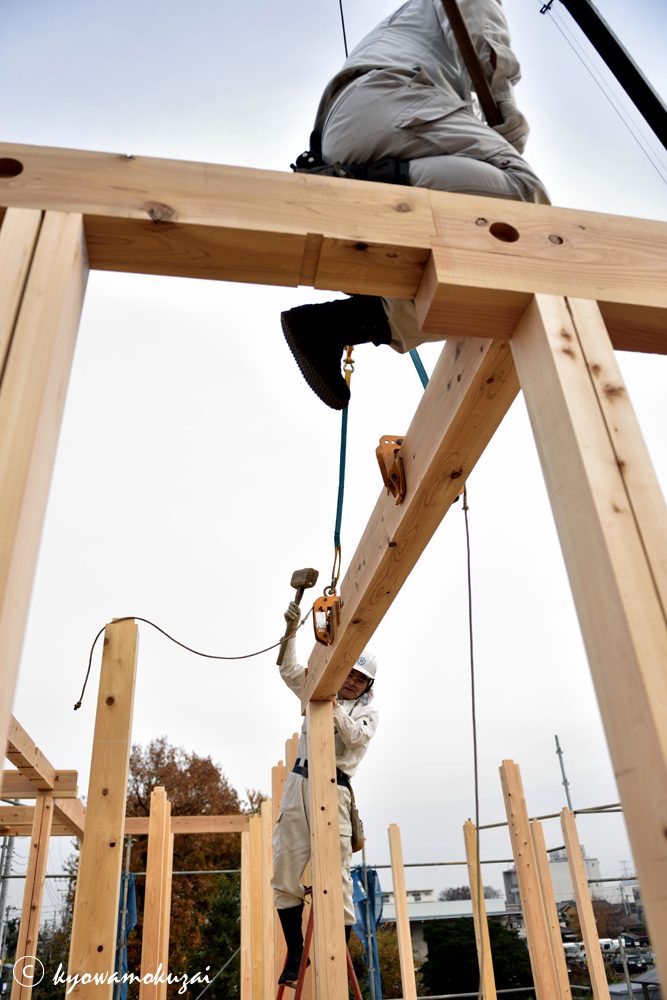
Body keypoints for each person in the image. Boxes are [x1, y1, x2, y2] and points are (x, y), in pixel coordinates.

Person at [280, 0, 550, 409]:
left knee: (472, 273)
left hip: (367, 121)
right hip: (388, 100)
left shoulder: (445, 86)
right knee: (524, 208)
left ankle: (342, 323)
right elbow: (483, 36)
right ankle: (362, 193)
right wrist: (505, 105)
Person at [271, 600, 379, 985]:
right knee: (284, 869)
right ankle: (296, 955)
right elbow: (287, 669)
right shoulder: (318, 686)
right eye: (348, 673)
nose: (351, 680)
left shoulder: (367, 712)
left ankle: (337, 953)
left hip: (336, 788)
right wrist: (291, 632)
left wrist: (331, 705)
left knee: (339, 877)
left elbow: (354, 738)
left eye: (359, 679)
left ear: (367, 686)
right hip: (299, 784)